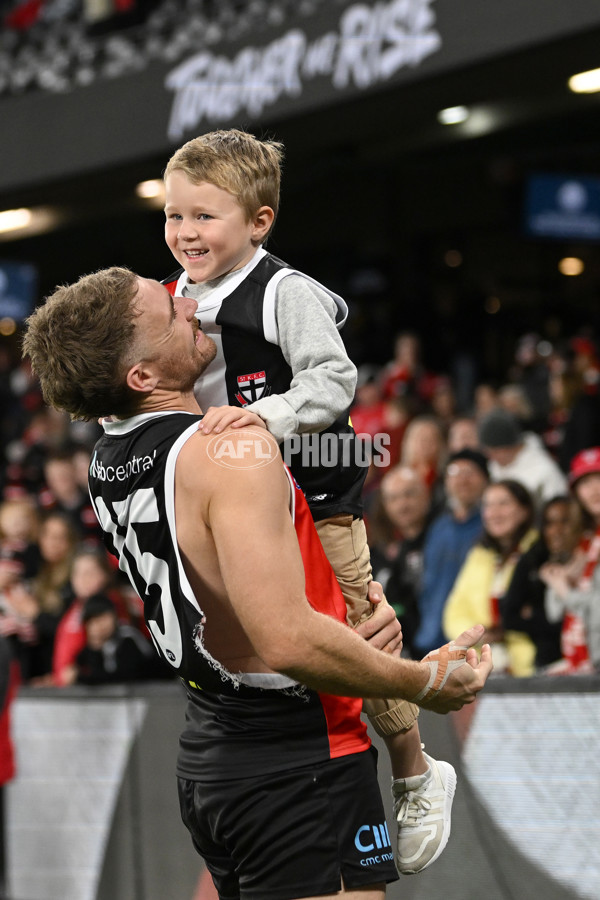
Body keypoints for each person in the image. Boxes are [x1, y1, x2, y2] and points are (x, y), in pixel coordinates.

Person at [22, 267, 492, 900]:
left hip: (215, 749)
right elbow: (287, 642)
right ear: (141, 377)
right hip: (297, 760)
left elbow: (248, 612)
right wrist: (423, 683)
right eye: (168, 308)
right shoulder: (229, 454)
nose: (189, 303)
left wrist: (344, 625)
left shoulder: (107, 461)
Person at [160, 128, 455, 873]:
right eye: (174, 215)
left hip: (316, 492)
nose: (185, 232)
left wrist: (265, 419)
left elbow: (333, 381)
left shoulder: (284, 292)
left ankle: (416, 771)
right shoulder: (170, 301)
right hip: (235, 508)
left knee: (356, 635)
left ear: (259, 221)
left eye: (204, 215)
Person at [443, 479, 538, 676]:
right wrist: (481, 635)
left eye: (503, 503)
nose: (494, 512)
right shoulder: (478, 554)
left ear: (524, 510)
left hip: (533, 668)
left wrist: (507, 630)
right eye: (488, 505)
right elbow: (454, 612)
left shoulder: (539, 552)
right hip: (483, 667)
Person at [414, 449, 489, 658]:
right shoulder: (438, 527)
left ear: (486, 480)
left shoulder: (492, 526)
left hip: (475, 643)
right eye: (455, 472)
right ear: (446, 481)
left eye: (471, 472)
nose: (463, 480)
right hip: (431, 640)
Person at [539, 448, 600, 674]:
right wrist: (560, 582)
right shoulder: (585, 541)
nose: (593, 490)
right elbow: (555, 612)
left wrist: (565, 590)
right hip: (585, 659)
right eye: (585, 484)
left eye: (598, 480)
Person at [502, 496, 572, 671]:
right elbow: (510, 617)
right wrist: (555, 624)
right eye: (549, 523)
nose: (557, 530)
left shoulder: (591, 560)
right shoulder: (532, 560)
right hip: (547, 663)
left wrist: (533, 614)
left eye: (565, 521)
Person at [370, 466, 432, 658]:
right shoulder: (377, 553)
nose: (402, 504)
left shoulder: (440, 538)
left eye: (409, 495)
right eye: (393, 498)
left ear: (425, 495)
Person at [478, 407, 568, 509]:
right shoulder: (495, 466)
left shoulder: (545, 470)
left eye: (494, 452)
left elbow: (559, 509)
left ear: (510, 446)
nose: (491, 458)